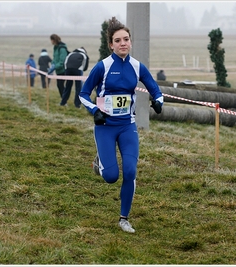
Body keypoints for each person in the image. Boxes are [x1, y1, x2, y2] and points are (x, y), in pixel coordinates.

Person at [79, 17, 164, 233]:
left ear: (131, 42)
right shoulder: (103, 67)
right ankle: (100, 164)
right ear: (111, 45)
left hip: (128, 125)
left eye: (126, 39)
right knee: (111, 177)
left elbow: (154, 88)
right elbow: (83, 94)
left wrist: (158, 100)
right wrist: (95, 111)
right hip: (105, 126)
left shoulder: (137, 67)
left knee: (130, 171)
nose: (123, 43)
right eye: (118, 40)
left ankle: (124, 218)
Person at [48, 34, 68, 99]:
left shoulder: (62, 48)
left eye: (51, 40)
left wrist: (55, 67)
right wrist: (52, 64)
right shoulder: (55, 47)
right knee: (59, 85)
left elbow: (62, 61)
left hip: (63, 70)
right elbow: (55, 58)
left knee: (60, 85)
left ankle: (64, 99)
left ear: (54, 40)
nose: (51, 41)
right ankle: (63, 99)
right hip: (58, 70)